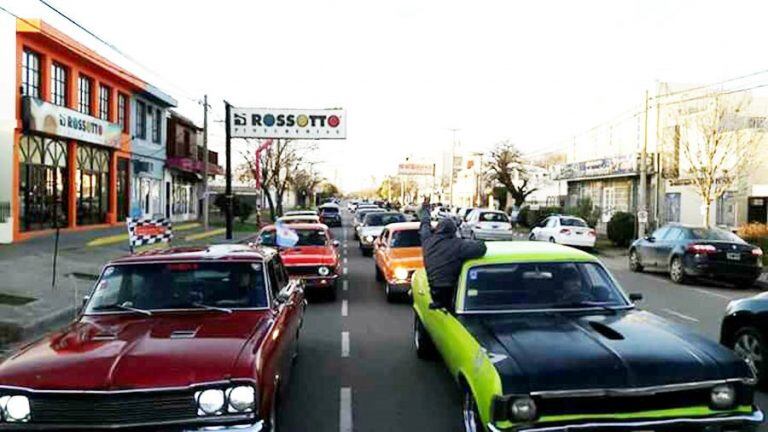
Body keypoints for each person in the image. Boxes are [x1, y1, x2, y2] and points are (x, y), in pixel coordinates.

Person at [419, 197, 486, 311]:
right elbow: (481, 248)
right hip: (451, 292)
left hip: (434, 291)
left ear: (437, 229)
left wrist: (425, 209)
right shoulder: (458, 245)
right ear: (453, 231)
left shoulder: (427, 240)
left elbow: (424, 223)